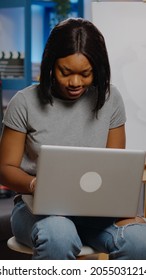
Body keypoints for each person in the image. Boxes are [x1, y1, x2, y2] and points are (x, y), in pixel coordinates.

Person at [0, 17, 146, 260]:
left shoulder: (110, 99)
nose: (75, 82)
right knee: (59, 233)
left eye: (85, 74)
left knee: (138, 239)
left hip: (96, 213)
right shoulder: (24, 102)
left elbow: (115, 168)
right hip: (35, 209)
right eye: (65, 72)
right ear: (50, 64)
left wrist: (124, 211)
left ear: (97, 69)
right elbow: (5, 169)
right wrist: (37, 185)